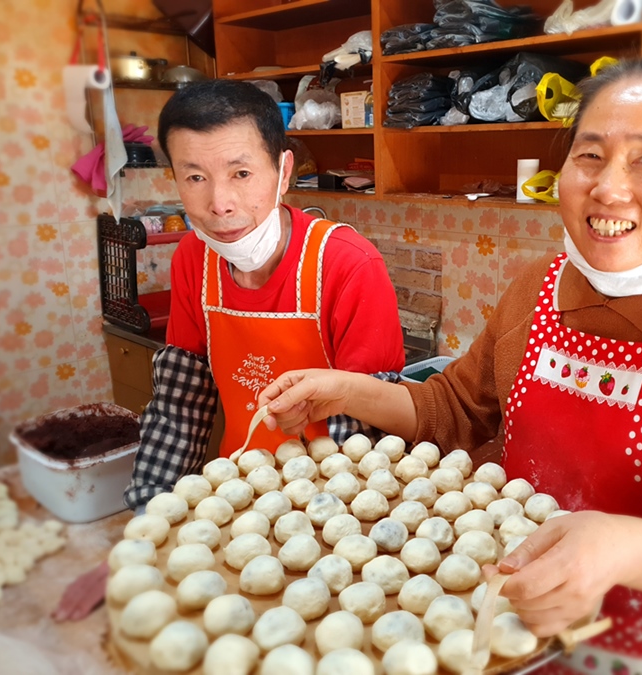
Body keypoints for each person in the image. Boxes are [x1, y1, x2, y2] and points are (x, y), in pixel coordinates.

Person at [259, 57, 642, 673]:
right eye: (590, 155)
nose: (609, 188)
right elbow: (453, 409)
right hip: (514, 629)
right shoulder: (538, 287)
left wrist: (620, 545)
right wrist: (347, 390)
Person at [53, 80, 405, 621]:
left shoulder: (347, 265)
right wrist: (145, 541)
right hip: (234, 501)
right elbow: (179, 410)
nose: (220, 204)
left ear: (283, 171)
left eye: (241, 173)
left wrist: (333, 546)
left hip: (336, 514)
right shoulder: (193, 260)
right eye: (195, 177)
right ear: (175, 179)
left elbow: (370, 432)